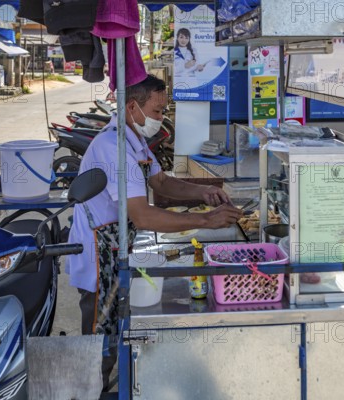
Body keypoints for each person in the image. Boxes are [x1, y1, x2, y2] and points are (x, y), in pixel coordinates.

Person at [65, 74, 242, 391]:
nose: (162, 118)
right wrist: (207, 221)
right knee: (97, 345)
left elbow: (161, 183)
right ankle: (91, 392)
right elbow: (143, 215)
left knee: (114, 334)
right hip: (98, 255)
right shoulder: (114, 148)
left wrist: (203, 194)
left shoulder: (134, 139)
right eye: (158, 111)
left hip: (118, 246)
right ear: (133, 106)